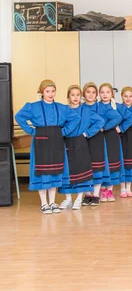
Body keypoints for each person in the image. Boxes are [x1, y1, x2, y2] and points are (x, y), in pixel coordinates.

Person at [15, 80, 80, 214]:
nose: (51, 94)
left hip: (56, 140)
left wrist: (64, 131)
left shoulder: (62, 108)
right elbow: (19, 116)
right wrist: (32, 131)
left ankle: (52, 202)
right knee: (42, 172)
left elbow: (75, 118)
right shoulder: (33, 107)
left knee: (55, 170)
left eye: (53, 91)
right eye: (47, 91)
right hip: (40, 141)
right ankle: (44, 203)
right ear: (42, 92)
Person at [59, 85, 104, 210]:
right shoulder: (64, 110)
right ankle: (68, 199)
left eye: (77, 95)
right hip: (66, 142)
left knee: (82, 169)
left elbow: (100, 121)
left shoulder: (86, 111)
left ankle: (79, 198)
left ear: (81, 96)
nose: (75, 97)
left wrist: (87, 133)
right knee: (67, 170)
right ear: (68, 96)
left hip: (80, 142)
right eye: (72, 95)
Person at [80, 82, 120, 206]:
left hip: (97, 138)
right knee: (86, 166)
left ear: (96, 94)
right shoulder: (81, 107)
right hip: (83, 139)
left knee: (98, 166)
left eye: (93, 92)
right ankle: (87, 194)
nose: (91, 95)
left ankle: (96, 195)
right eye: (88, 92)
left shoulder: (101, 107)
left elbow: (117, 117)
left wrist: (104, 127)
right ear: (84, 93)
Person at [98, 83, 132, 202]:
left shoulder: (117, 106)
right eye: (102, 92)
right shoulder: (96, 106)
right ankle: (102, 190)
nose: (105, 95)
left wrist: (121, 128)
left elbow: (131, 118)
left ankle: (110, 190)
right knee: (102, 162)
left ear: (112, 94)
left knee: (113, 162)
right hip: (99, 137)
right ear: (99, 94)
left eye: (107, 92)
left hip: (112, 137)